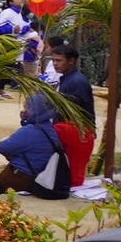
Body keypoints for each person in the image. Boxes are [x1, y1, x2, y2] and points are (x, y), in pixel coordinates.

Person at [0, 95, 72, 200]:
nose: (25, 110)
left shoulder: (31, 130)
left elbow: (3, 147)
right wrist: (25, 122)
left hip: (20, 177)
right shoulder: (49, 128)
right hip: (35, 176)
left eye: (27, 107)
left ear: (35, 109)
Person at [49, 43, 96, 179]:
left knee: (73, 173)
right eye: (53, 60)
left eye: (59, 60)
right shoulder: (67, 79)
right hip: (68, 130)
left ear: (71, 61)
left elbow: (76, 107)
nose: (55, 64)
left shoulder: (78, 82)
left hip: (75, 133)